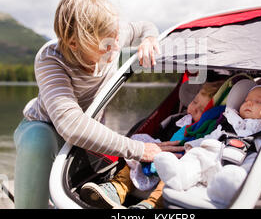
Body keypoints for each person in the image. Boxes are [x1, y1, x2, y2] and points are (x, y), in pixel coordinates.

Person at [13, 0, 183, 209]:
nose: (115, 47)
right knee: (38, 139)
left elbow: (144, 26)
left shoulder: (113, 35)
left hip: (86, 137)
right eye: (106, 42)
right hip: (46, 130)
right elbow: (71, 125)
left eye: (115, 37)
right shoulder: (51, 59)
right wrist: (140, 150)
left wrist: (149, 38)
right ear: (74, 42)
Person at [154, 84, 261, 206]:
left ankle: (229, 189)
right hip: (213, 165)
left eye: (258, 102)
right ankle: (181, 174)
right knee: (203, 151)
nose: (249, 102)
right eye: (246, 100)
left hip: (242, 170)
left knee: (256, 163)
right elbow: (208, 138)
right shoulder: (228, 123)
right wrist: (192, 147)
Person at [79, 80, 225, 209]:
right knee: (139, 156)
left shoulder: (212, 135)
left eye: (201, 110)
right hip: (157, 156)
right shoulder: (177, 121)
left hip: (179, 167)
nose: (192, 109)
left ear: (211, 115)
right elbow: (157, 137)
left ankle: (151, 204)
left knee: (173, 178)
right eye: (194, 102)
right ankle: (116, 189)